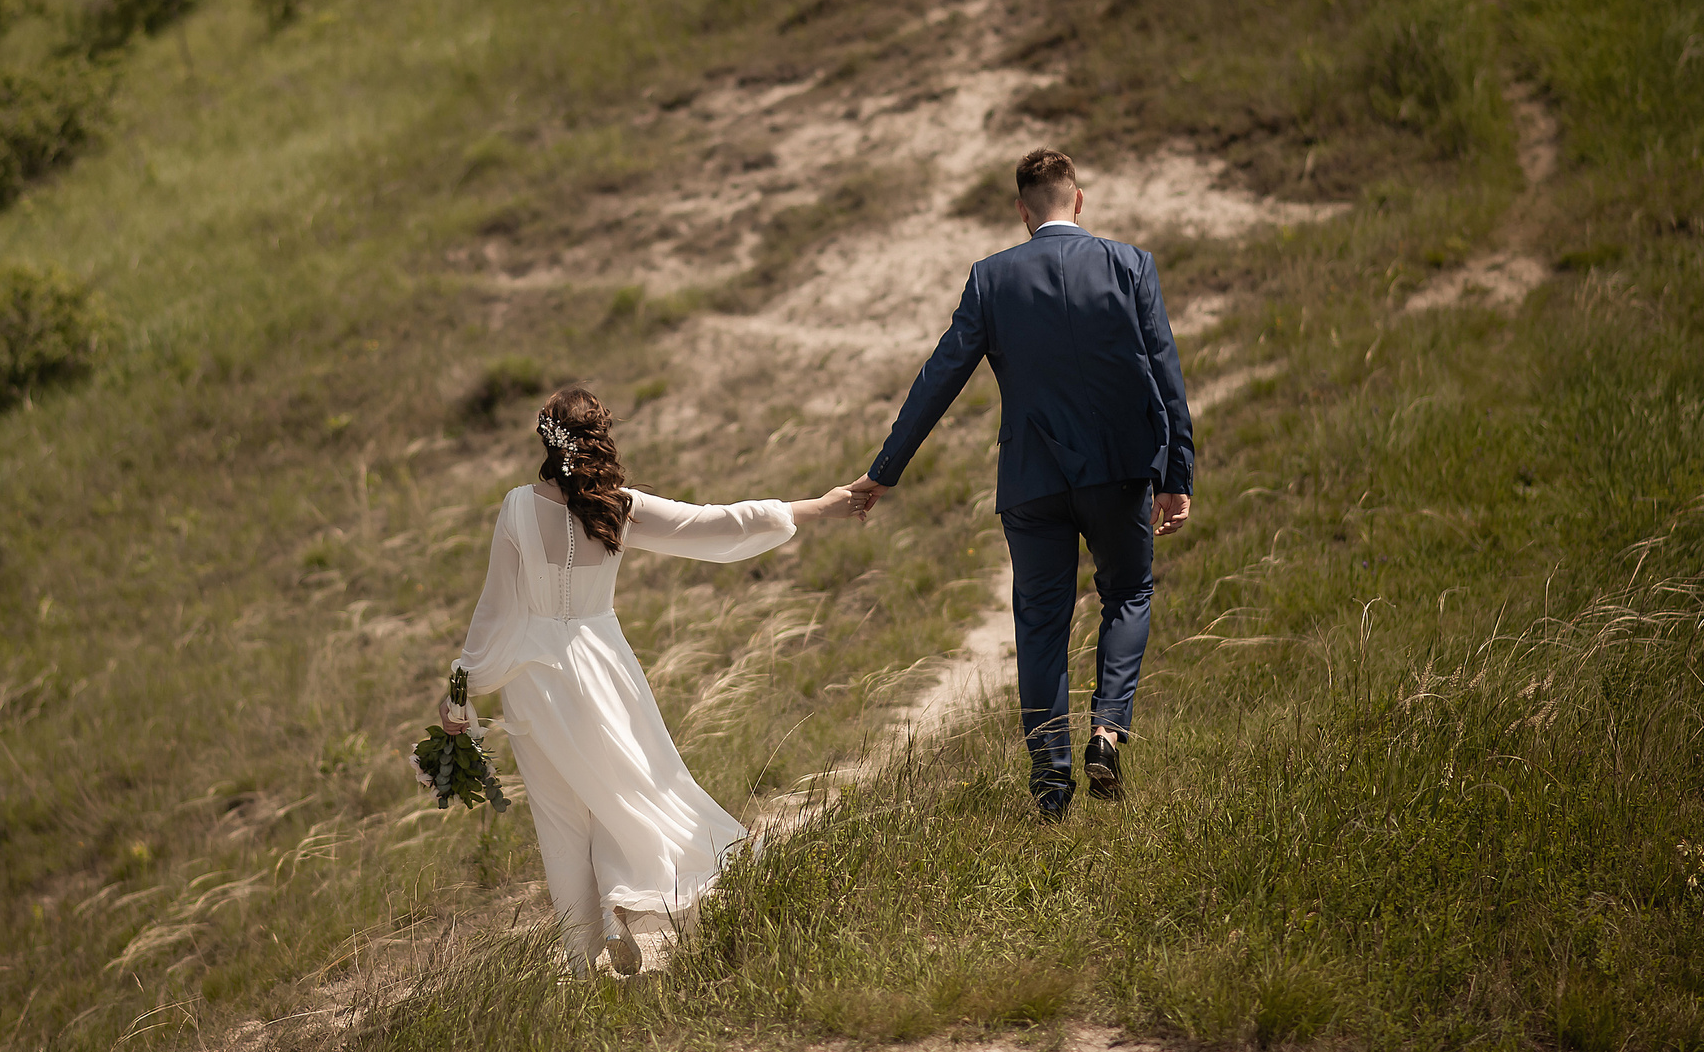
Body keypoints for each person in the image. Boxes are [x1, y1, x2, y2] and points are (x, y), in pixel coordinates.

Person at [442, 386, 863, 974]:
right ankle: (622, 900)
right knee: (626, 786)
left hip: (534, 678)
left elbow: (495, 609)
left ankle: (582, 958)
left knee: (560, 816)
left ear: (546, 438)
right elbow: (716, 524)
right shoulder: (617, 506)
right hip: (604, 666)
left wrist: (462, 686)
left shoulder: (516, 507)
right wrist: (816, 506)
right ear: (600, 438)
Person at [849, 147, 1194, 821]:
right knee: (1128, 592)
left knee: (1040, 623)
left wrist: (885, 470)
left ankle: (1051, 781)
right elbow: (1165, 372)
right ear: (1079, 199)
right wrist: (1175, 472)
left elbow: (938, 378)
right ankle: (1106, 731)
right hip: (1119, 469)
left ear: (1022, 211)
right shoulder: (1130, 265)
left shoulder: (991, 278)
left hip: (1032, 480)